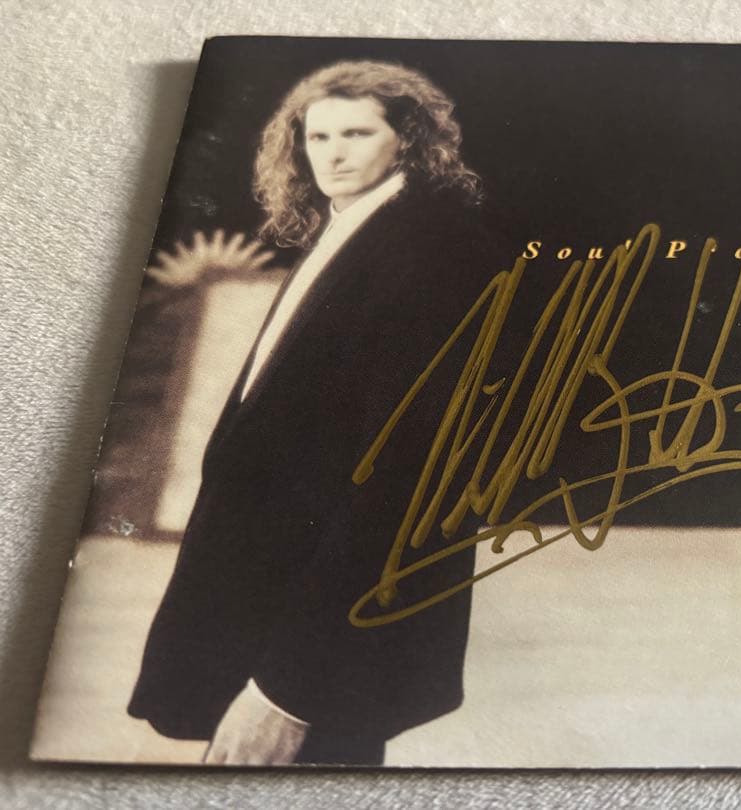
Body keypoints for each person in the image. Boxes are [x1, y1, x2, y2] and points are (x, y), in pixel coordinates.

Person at [128, 60, 507, 766]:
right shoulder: (352, 229)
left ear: (408, 139)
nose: (332, 154)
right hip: (269, 616)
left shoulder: (432, 250)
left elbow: (402, 485)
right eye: (318, 136)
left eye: (357, 134)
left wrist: (288, 692)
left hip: (314, 648)